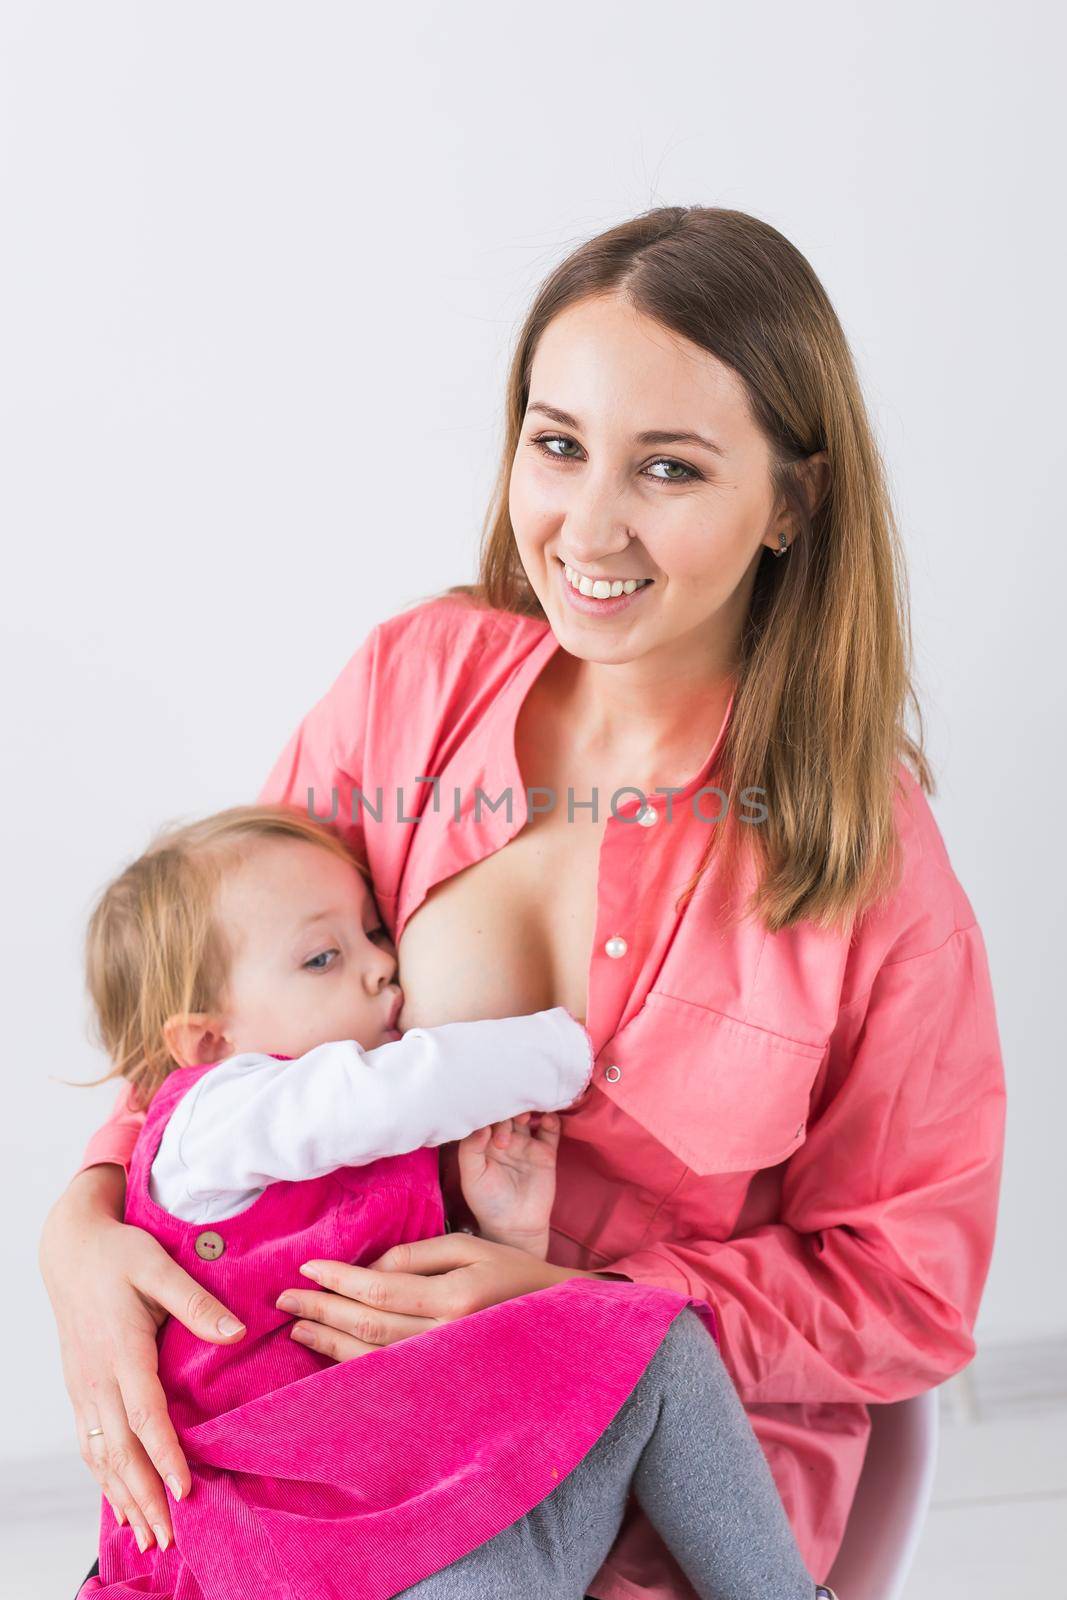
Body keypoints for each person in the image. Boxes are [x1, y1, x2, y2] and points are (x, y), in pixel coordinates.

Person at [41, 204, 1006, 1600]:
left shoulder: (869, 870)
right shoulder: (404, 690)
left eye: (666, 468)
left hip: (655, 1482)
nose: (585, 526)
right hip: (329, 1445)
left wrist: (584, 1306)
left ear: (791, 501)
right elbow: (216, 996)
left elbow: (907, 1290)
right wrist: (79, 1224)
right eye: (556, 446)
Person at [73, 802, 822, 1600]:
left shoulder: (342, 1150)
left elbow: (445, 1342)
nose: (380, 967)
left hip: (437, 1520)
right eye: (323, 958)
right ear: (209, 1043)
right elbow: (385, 1095)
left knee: (652, 1337)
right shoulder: (212, 1122)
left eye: (374, 933)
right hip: (286, 1554)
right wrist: (572, 1052)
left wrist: (508, 1234)